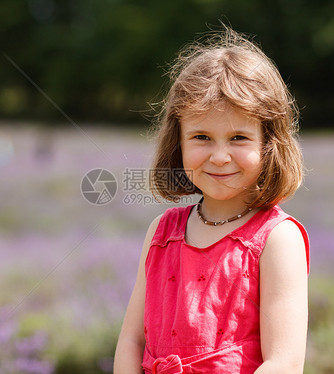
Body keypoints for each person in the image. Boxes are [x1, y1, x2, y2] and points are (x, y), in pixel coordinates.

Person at [114, 26, 310, 374]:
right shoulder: (162, 232)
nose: (220, 156)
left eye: (238, 137)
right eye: (201, 136)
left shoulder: (277, 239)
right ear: (179, 142)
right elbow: (132, 341)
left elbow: (284, 361)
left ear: (269, 144)